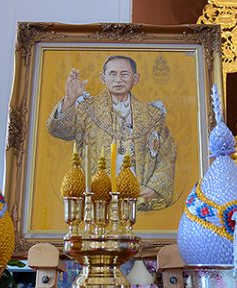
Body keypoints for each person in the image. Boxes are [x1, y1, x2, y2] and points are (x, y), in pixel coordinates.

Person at [47, 55, 176, 210]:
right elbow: (58, 130)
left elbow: (167, 156)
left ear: (135, 78)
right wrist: (69, 99)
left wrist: (154, 189)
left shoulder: (152, 115)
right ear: (103, 78)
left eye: (125, 74)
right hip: (96, 199)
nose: (118, 79)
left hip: (137, 199)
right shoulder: (86, 109)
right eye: (112, 74)